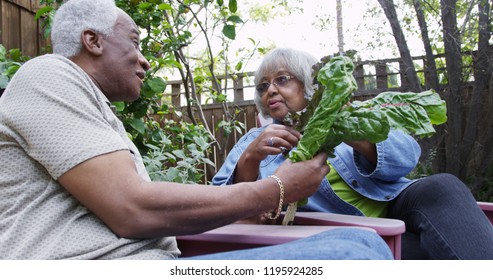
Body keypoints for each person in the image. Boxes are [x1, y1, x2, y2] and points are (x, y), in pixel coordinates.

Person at [0, 0, 393, 260]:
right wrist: (273, 189)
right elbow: (133, 208)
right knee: (351, 256)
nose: (145, 61)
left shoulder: (93, 108)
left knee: (362, 241)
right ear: (92, 41)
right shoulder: (48, 75)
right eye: (135, 42)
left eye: (285, 80)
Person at [212, 47, 493, 260]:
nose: (270, 90)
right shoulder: (253, 140)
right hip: (346, 232)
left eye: (282, 79)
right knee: (418, 251)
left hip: (397, 206)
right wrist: (250, 158)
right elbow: (222, 207)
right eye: (263, 86)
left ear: (309, 83)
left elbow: (407, 157)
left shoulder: (347, 116)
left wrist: (351, 130)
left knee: (443, 186)